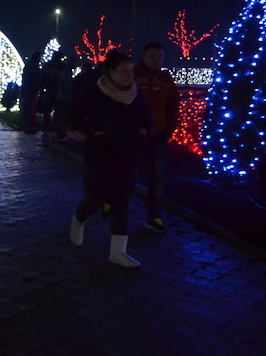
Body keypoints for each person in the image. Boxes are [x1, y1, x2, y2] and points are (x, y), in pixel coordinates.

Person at [68, 50, 154, 268]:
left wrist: (145, 132)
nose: (129, 75)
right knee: (94, 199)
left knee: (121, 201)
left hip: (127, 156)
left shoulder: (136, 95)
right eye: (123, 71)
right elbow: (74, 116)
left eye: (131, 71)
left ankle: (118, 252)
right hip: (99, 156)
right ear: (110, 71)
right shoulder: (95, 93)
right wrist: (93, 130)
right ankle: (78, 220)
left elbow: (149, 119)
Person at [135, 42, 180, 234]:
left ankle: (154, 217)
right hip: (133, 134)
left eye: (160, 56)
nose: (156, 60)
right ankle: (112, 202)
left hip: (158, 135)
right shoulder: (132, 75)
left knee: (156, 176)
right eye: (152, 55)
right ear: (144, 56)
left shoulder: (165, 78)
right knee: (125, 172)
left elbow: (173, 106)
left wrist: (168, 131)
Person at [38, 51, 65, 138]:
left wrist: (41, 90)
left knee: (47, 111)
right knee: (57, 111)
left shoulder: (47, 66)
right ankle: (53, 128)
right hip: (57, 91)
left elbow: (42, 79)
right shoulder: (62, 67)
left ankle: (46, 128)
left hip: (49, 91)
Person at [19, 52, 41, 134]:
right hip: (30, 90)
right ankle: (28, 127)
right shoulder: (33, 67)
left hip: (28, 90)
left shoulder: (29, 66)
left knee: (28, 109)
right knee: (29, 109)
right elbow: (35, 78)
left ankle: (27, 126)